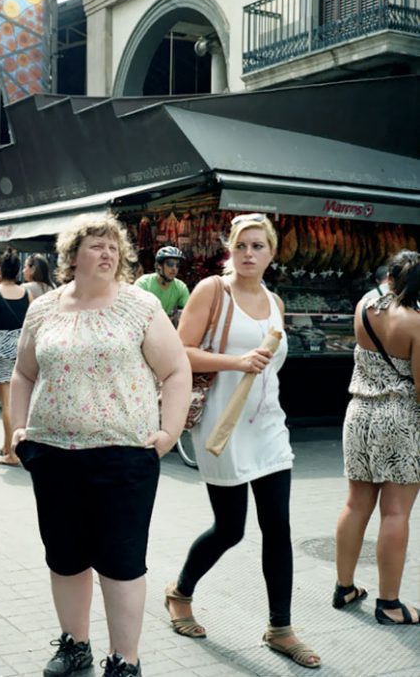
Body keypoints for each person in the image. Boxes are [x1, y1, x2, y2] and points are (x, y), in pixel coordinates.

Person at [10, 214, 190, 677]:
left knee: (120, 561)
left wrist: (168, 433)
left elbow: (176, 371)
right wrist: (18, 428)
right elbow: (24, 373)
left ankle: (124, 660)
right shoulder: (43, 308)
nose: (107, 253)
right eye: (96, 245)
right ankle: (76, 645)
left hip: (123, 455)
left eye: (114, 246)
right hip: (53, 454)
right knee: (65, 557)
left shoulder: (140, 306)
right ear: (72, 256)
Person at [166, 213, 321, 669]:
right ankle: (180, 593)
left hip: (270, 425)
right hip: (222, 427)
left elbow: (272, 363)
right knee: (230, 528)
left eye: (258, 247)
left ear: (272, 253)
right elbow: (180, 352)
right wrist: (236, 363)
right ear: (229, 249)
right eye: (241, 246)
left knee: (279, 528)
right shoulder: (213, 290)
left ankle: (281, 628)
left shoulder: (274, 300)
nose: (249, 254)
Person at [334, 250, 420, 626]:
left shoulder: (365, 306)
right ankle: (389, 604)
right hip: (399, 418)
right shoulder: (416, 322)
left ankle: (345, 586)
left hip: (359, 414)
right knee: (396, 511)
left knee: (356, 504)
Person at [0, 250, 31, 466]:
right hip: (22, 346)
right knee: (22, 401)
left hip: (1, 347)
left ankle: (13, 453)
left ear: (0, 270)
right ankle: (7, 445)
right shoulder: (27, 293)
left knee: (7, 403)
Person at [134, 246, 189, 319]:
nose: (174, 268)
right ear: (159, 266)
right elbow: (134, 310)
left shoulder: (181, 287)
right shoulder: (143, 283)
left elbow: (190, 312)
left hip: (166, 325)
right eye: (170, 264)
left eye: (177, 265)